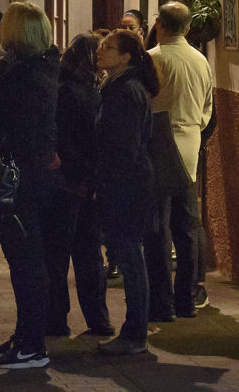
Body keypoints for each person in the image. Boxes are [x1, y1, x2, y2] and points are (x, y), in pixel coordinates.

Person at [0, 0, 59, 370]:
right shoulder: (43, 67)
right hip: (30, 177)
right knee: (23, 262)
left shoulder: (23, 78)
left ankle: (33, 345)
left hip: (19, 181)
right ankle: (25, 335)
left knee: (26, 263)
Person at [145, 1, 214, 319]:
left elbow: (144, 104)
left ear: (159, 24)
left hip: (158, 148)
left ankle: (162, 302)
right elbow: (207, 108)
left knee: (158, 228)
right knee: (186, 226)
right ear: (187, 28)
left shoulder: (152, 59)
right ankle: (187, 298)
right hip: (189, 146)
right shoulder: (201, 60)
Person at [93, 29, 160, 355]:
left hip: (127, 184)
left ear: (125, 57)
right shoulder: (116, 86)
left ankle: (135, 334)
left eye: (108, 47)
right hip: (124, 180)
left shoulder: (126, 91)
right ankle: (134, 332)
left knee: (131, 257)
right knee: (129, 255)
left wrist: (108, 182)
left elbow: (124, 145)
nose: (100, 51)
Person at [44, 32, 114, 338]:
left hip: (64, 183)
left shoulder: (61, 87)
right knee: (89, 255)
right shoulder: (87, 91)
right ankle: (98, 319)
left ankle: (56, 320)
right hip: (80, 184)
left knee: (57, 256)